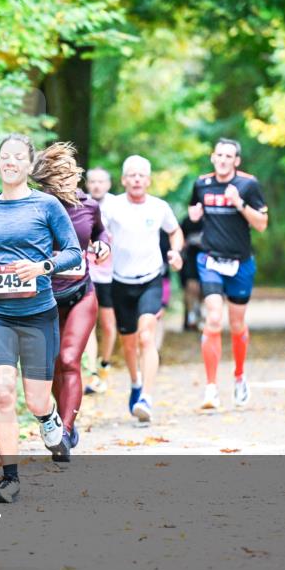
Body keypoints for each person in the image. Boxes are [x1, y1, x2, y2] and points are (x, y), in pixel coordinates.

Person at [0, 134, 83, 503]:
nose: (11, 162)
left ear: (30, 166)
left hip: (38, 315)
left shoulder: (46, 206)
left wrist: (42, 267)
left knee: (35, 402)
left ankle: (50, 421)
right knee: (2, 393)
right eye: (5, 156)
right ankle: (9, 478)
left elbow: (74, 253)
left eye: (18, 157)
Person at [30, 145, 110, 462]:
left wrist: (102, 245)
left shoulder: (89, 206)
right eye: (46, 185)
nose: (51, 190)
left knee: (68, 359)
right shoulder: (35, 207)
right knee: (50, 366)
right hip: (44, 297)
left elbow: (100, 233)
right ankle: (63, 421)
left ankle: (63, 432)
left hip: (80, 293)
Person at [100, 155, 183, 424]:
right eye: (131, 175)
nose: (136, 179)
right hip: (120, 281)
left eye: (141, 175)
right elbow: (97, 231)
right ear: (124, 180)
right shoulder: (112, 207)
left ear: (148, 180)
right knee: (129, 343)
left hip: (150, 279)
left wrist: (176, 252)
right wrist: (98, 247)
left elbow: (175, 231)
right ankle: (135, 382)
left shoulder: (159, 207)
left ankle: (146, 397)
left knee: (147, 336)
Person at [188, 138, 269, 410]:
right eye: (219, 155)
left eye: (228, 156)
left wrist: (240, 204)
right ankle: (211, 389)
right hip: (210, 260)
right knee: (213, 318)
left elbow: (262, 225)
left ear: (236, 161)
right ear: (213, 157)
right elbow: (192, 212)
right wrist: (194, 215)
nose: (223, 160)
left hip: (241, 263)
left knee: (236, 325)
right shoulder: (201, 184)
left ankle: (239, 376)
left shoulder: (248, 185)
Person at [83, 168, 117, 395]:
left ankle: (104, 365)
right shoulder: (80, 204)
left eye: (100, 181)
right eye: (92, 181)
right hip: (86, 272)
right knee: (88, 323)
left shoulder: (118, 206)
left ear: (108, 184)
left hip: (111, 274)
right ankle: (92, 372)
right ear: (87, 184)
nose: (96, 185)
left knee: (107, 324)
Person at [179, 214, 205, 331]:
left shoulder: (211, 219)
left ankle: (197, 312)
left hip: (207, 258)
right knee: (190, 287)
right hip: (190, 259)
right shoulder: (187, 221)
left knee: (203, 290)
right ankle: (190, 316)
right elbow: (180, 239)